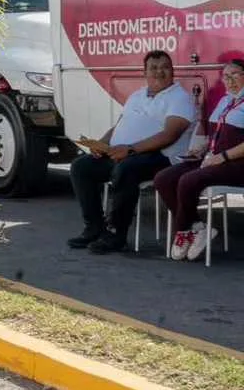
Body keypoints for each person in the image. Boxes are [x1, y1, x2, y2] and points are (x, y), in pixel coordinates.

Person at [68, 50, 195, 254]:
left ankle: (116, 234)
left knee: (126, 169)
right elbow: (119, 126)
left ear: (172, 71)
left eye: (165, 67)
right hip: (123, 153)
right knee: (80, 166)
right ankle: (94, 228)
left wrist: (130, 149)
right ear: (144, 72)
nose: (159, 72)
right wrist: (101, 144)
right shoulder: (137, 96)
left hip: (161, 157)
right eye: (153, 68)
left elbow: (170, 135)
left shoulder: (179, 98)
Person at [155, 58, 244, 261]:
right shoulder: (225, 100)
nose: (230, 81)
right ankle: (197, 227)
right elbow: (216, 133)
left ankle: (182, 232)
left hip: (236, 163)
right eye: (226, 76)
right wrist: (202, 148)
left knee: (189, 180)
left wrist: (223, 156)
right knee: (164, 178)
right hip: (213, 158)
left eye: (235, 75)